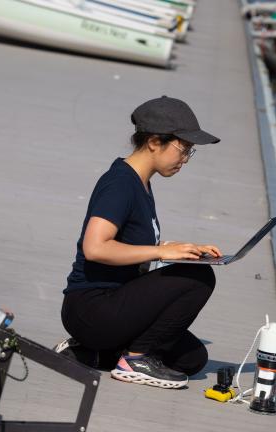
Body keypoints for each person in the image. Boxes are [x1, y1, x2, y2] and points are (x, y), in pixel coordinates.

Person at [57, 96, 221, 389]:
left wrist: (181, 249)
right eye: (183, 149)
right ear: (155, 141)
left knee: (192, 359)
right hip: (92, 308)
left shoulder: (141, 183)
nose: (185, 159)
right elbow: (95, 247)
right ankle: (135, 359)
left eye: (190, 152)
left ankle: (90, 352)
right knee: (199, 277)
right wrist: (161, 251)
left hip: (114, 305)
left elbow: (130, 244)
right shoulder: (121, 183)